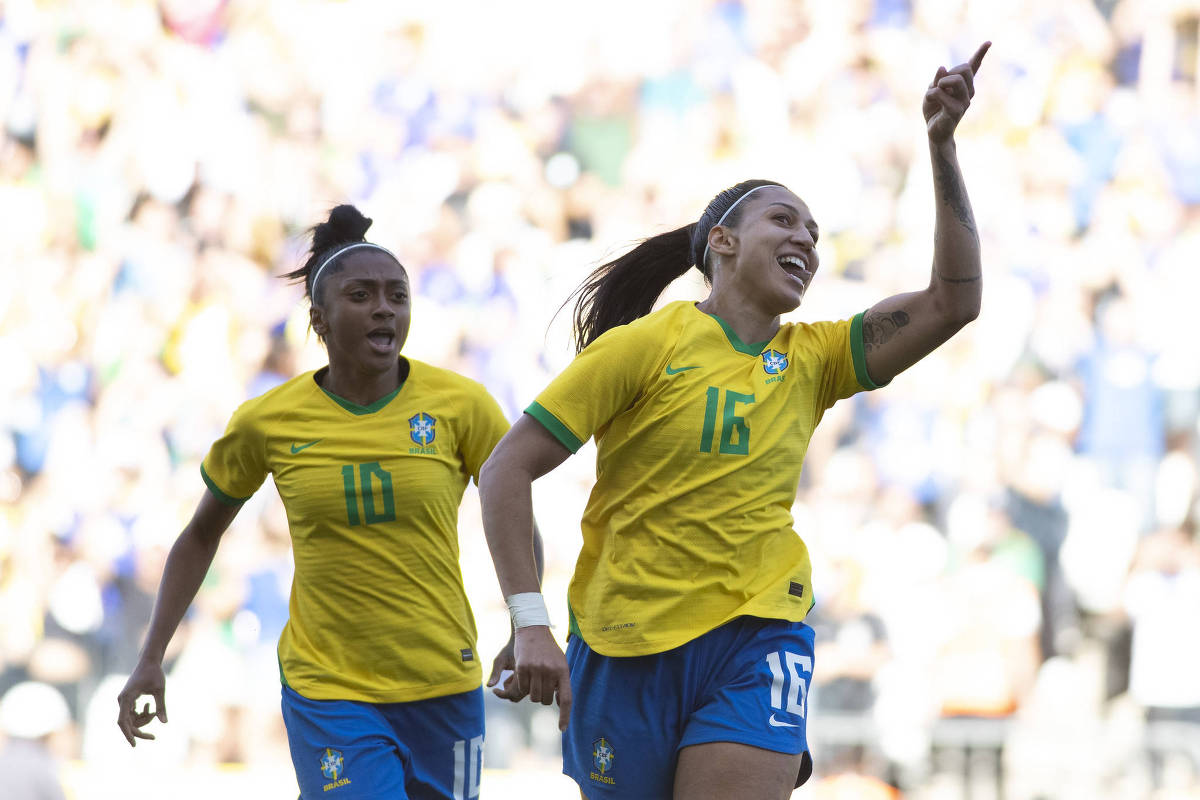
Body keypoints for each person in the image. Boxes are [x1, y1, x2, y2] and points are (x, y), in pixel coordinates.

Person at [478, 43, 990, 800]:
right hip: (625, 642)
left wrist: (941, 145)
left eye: (815, 235)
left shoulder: (816, 357)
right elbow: (505, 469)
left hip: (759, 636)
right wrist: (529, 621)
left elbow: (955, 302)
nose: (806, 243)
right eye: (784, 221)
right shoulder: (645, 347)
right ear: (721, 242)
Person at [116, 204, 540, 799]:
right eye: (361, 295)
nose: (384, 307)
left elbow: (514, 511)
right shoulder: (269, 420)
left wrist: (529, 623)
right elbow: (199, 536)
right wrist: (152, 656)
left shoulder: (461, 405)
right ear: (319, 317)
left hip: (442, 682)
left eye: (397, 294)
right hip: (329, 685)